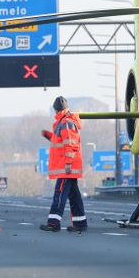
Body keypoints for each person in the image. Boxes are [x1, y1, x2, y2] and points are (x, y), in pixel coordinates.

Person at [40, 96, 87, 232]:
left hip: (67, 167)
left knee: (59, 193)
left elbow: (70, 144)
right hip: (69, 166)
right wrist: (49, 135)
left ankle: (53, 223)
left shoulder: (65, 122)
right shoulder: (65, 122)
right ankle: (80, 223)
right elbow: (61, 141)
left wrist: (67, 164)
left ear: (56, 110)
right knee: (74, 195)